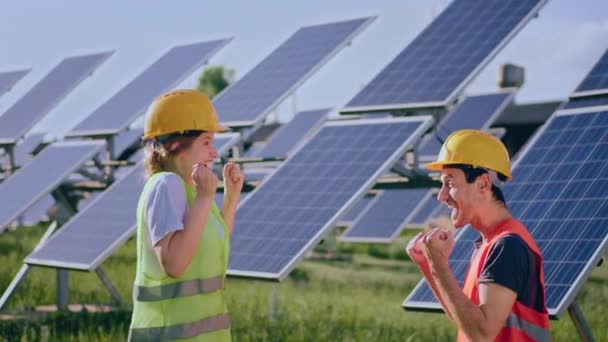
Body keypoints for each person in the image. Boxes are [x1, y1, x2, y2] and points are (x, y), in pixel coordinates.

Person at [406, 129, 549, 341]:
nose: (441, 196)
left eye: (450, 183)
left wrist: (438, 263)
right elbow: (467, 322)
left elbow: (481, 333)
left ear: (483, 184)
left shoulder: (507, 246)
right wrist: (428, 264)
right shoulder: (489, 244)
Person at [128, 89, 243, 341]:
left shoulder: (190, 191)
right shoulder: (166, 185)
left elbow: (209, 247)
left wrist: (231, 198)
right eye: (206, 142)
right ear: (177, 145)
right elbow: (175, 263)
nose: (214, 153)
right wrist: (204, 198)